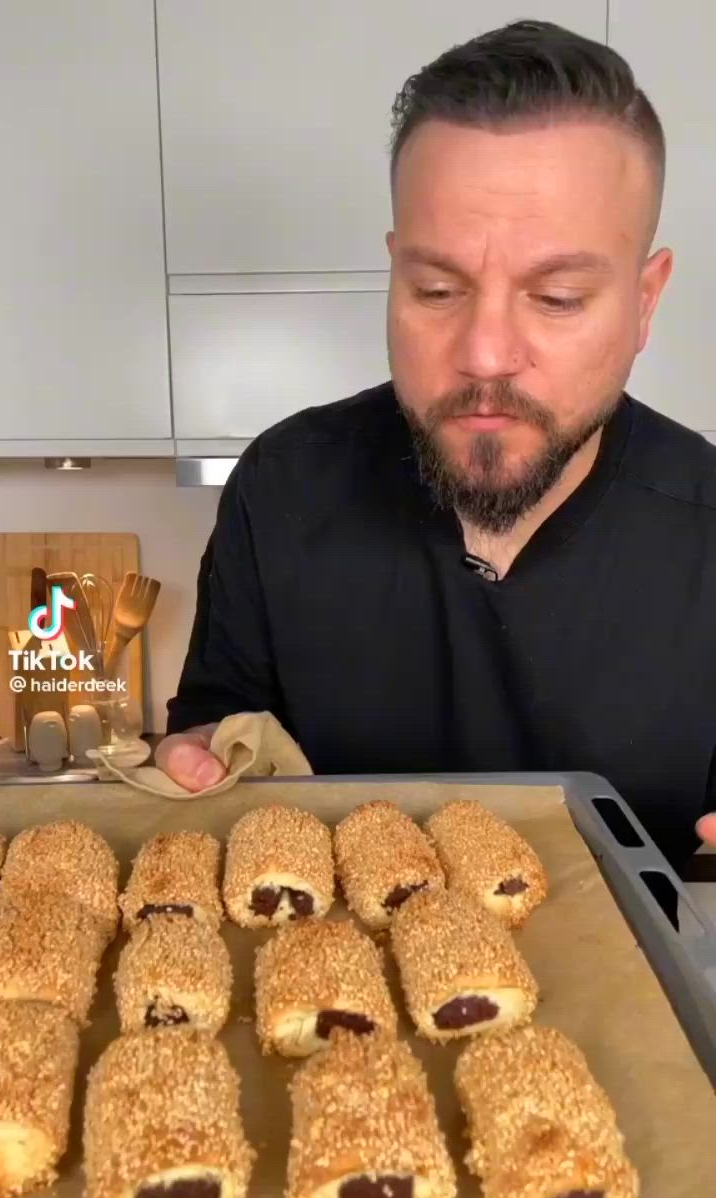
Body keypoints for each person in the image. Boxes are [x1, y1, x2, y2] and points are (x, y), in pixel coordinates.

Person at [159, 19, 716, 918]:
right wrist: (192, 763)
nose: (486, 354)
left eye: (558, 297)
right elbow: (217, 739)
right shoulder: (283, 489)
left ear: (645, 301)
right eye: (437, 290)